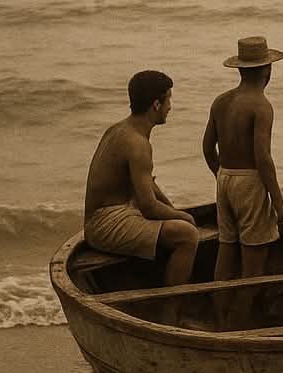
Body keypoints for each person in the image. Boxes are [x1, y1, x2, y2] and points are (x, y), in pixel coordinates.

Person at [83, 70, 200, 283]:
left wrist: (173, 210)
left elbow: (148, 185)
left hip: (108, 215)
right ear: (156, 104)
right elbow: (148, 206)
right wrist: (185, 218)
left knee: (181, 223)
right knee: (188, 235)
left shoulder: (121, 129)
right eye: (169, 100)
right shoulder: (137, 143)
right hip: (104, 224)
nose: (170, 107)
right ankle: (171, 308)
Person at [202, 37, 283, 303]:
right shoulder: (262, 106)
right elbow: (263, 158)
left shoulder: (221, 101)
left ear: (240, 69)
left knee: (226, 252)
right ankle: (241, 324)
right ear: (267, 70)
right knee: (253, 267)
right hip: (250, 183)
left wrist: (222, 175)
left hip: (225, 178)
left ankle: (219, 316)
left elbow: (207, 148)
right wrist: (278, 199)